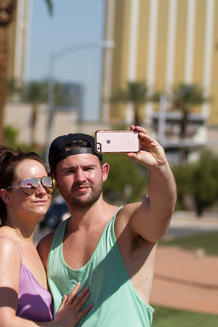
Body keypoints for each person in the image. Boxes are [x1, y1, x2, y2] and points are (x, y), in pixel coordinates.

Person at [37, 126, 177, 327]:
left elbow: (162, 209)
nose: (81, 178)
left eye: (88, 168)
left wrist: (160, 168)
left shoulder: (127, 225)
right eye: (69, 171)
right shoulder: (47, 247)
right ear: (55, 181)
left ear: (104, 172)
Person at [0, 146, 92, 327]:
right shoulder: (3, 246)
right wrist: (60, 325)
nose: (41, 191)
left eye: (47, 182)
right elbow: (3, 323)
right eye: (29, 185)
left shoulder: (34, 248)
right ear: (6, 196)